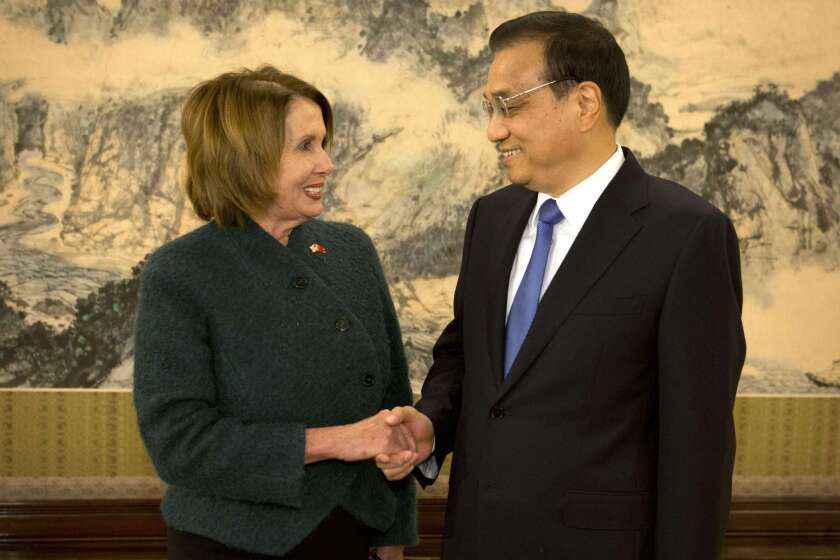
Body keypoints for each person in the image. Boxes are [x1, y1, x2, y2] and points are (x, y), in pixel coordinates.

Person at [376, 11, 745, 560]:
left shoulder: (688, 233)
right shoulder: (492, 218)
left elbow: (697, 447)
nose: (494, 129)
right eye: (490, 108)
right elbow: (465, 357)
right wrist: (433, 422)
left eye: (512, 105)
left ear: (585, 103)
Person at [133, 65, 416, 560]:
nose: (327, 163)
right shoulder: (180, 272)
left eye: (325, 143)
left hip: (356, 535)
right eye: (305, 146)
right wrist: (333, 442)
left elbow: (391, 400)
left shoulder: (351, 250)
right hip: (231, 543)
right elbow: (179, 445)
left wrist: (395, 532)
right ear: (246, 158)